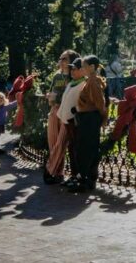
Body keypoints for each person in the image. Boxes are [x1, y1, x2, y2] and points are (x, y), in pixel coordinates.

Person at [66, 55, 107, 193]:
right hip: (86, 119)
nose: (82, 69)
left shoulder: (93, 82)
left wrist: (103, 119)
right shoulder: (90, 81)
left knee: (86, 150)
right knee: (85, 149)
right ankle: (87, 179)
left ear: (92, 67)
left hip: (90, 119)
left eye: (84, 66)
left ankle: (85, 181)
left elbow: (100, 104)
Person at [44, 49, 79, 183]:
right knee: (53, 142)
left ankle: (49, 170)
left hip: (66, 112)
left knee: (61, 142)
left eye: (65, 59)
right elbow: (52, 91)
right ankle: (58, 173)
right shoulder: (56, 76)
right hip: (54, 110)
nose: (61, 61)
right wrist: (50, 97)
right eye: (60, 58)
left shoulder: (74, 75)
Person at [49, 58, 86, 184]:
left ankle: (79, 177)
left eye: (74, 69)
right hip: (66, 121)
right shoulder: (72, 83)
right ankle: (73, 175)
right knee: (71, 149)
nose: (72, 71)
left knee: (77, 150)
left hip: (75, 123)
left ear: (82, 70)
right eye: (72, 69)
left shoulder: (84, 84)